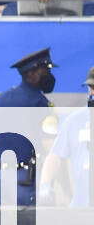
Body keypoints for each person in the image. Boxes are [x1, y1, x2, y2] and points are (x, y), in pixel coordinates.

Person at [0, 48, 57, 207]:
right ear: (31, 73)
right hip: (26, 181)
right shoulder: (42, 105)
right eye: (45, 70)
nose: (49, 76)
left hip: (0, 179)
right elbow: (49, 147)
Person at [40, 66, 94, 208]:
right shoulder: (75, 120)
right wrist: (45, 186)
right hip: (81, 206)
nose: (92, 92)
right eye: (91, 87)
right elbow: (55, 156)